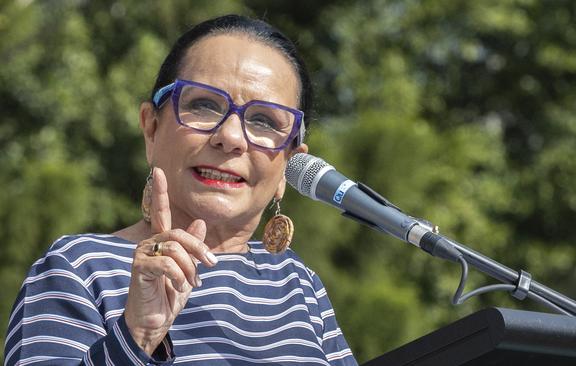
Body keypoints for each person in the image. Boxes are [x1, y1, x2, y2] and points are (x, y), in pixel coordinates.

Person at [4, 14, 357, 365]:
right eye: (204, 105)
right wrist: (137, 336)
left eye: (264, 120)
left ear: (288, 165)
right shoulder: (80, 268)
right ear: (151, 130)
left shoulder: (300, 285)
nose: (231, 137)